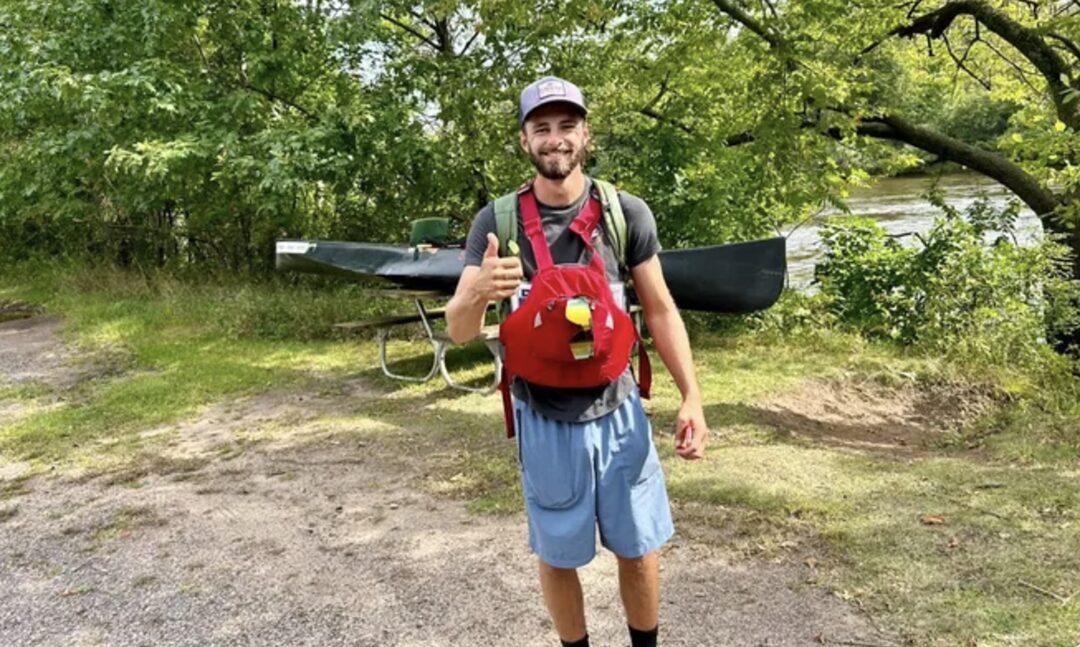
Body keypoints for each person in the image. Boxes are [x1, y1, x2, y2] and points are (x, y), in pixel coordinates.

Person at [445, 76, 708, 647]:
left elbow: (659, 310)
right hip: (542, 417)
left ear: (585, 134)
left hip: (619, 412)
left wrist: (691, 395)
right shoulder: (496, 224)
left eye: (567, 126)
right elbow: (460, 331)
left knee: (639, 547)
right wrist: (477, 292)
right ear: (524, 141)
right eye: (542, 128)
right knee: (559, 553)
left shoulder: (625, 213)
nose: (555, 139)